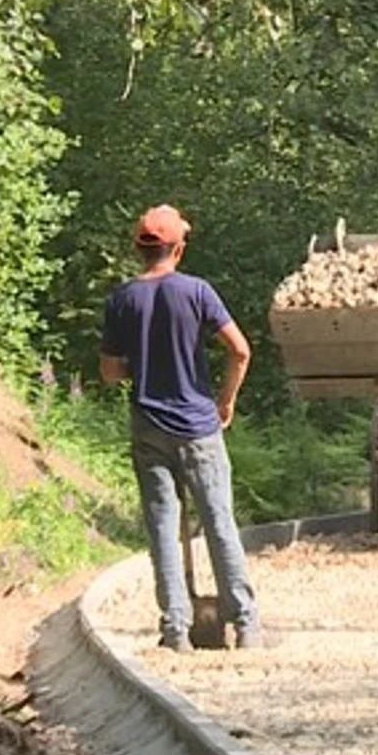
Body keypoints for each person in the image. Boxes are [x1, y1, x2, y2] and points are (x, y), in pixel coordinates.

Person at [98, 204, 267, 652]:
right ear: (179, 248)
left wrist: (145, 364)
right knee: (220, 523)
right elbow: (241, 351)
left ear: (139, 249)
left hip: (148, 427)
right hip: (198, 426)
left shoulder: (121, 300)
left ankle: (176, 629)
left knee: (162, 527)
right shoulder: (197, 292)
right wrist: (224, 402)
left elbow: (112, 372)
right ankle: (245, 625)